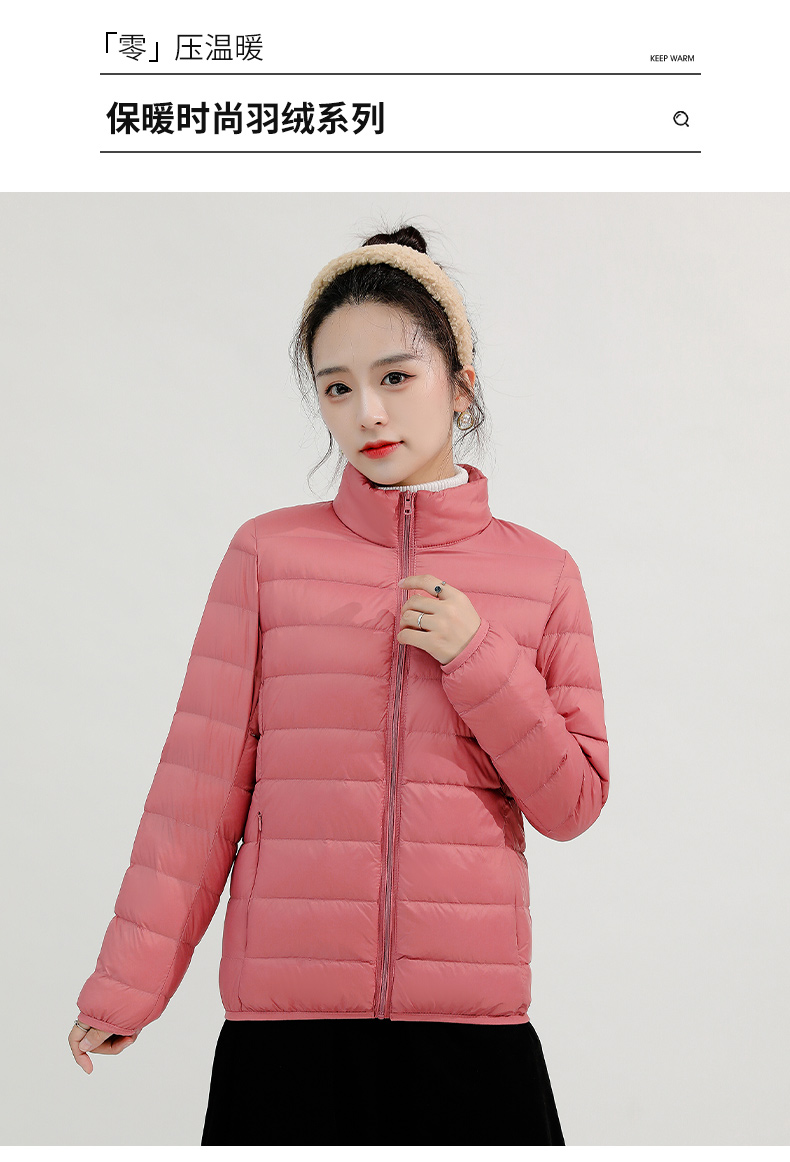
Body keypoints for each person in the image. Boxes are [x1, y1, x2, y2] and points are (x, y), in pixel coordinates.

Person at [69, 224, 610, 1145]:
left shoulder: (543, 575)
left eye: (396, 377)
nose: (368, 412)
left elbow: (572, 805)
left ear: (461, 385)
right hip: (288, 1038)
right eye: (337, 387)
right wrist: (128, 986)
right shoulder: (267, 556)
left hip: (469, 1035)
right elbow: (195, 798)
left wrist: (478, 657)